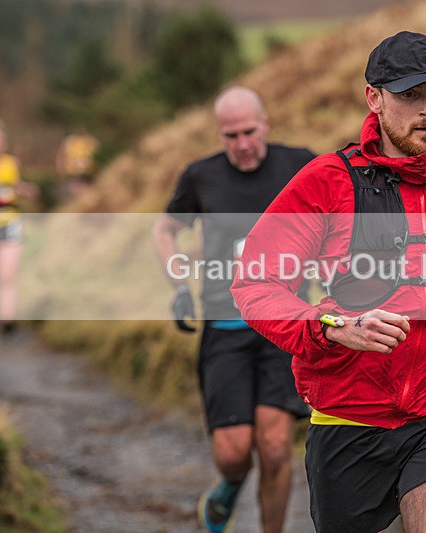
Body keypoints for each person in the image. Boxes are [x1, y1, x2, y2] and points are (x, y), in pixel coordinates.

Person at [231, 31, 426, 532]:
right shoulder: (327, 181)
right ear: (373, 98)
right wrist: (331, 325)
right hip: (348, 418)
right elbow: (255, 283)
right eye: (410, 95)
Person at [151, 86, 315, 533]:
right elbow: (165, 230)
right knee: (233, 451)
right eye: (230, 136)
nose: (242, 144)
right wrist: (179, 286)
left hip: (285, 324)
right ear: (219, 136)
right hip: (224, 323)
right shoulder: (201, 177)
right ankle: (229, 485)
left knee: (276, 446)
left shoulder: (300, 164)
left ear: (266, 123)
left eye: (248, 131)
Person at [0, 120, 38, 337]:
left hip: (10, 222)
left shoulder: (11, 163)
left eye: (1, 139)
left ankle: (8, 322)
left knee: (8, 275)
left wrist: (27, 190)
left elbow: (18, 186)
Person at [55, 128, 100, 198]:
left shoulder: (90, 141)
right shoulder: (69, 142)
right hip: (74, 173)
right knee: (78, 192)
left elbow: (98, 155)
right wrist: (61, 168)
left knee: (86, 193)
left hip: (87, 172)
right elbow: (61, 156)